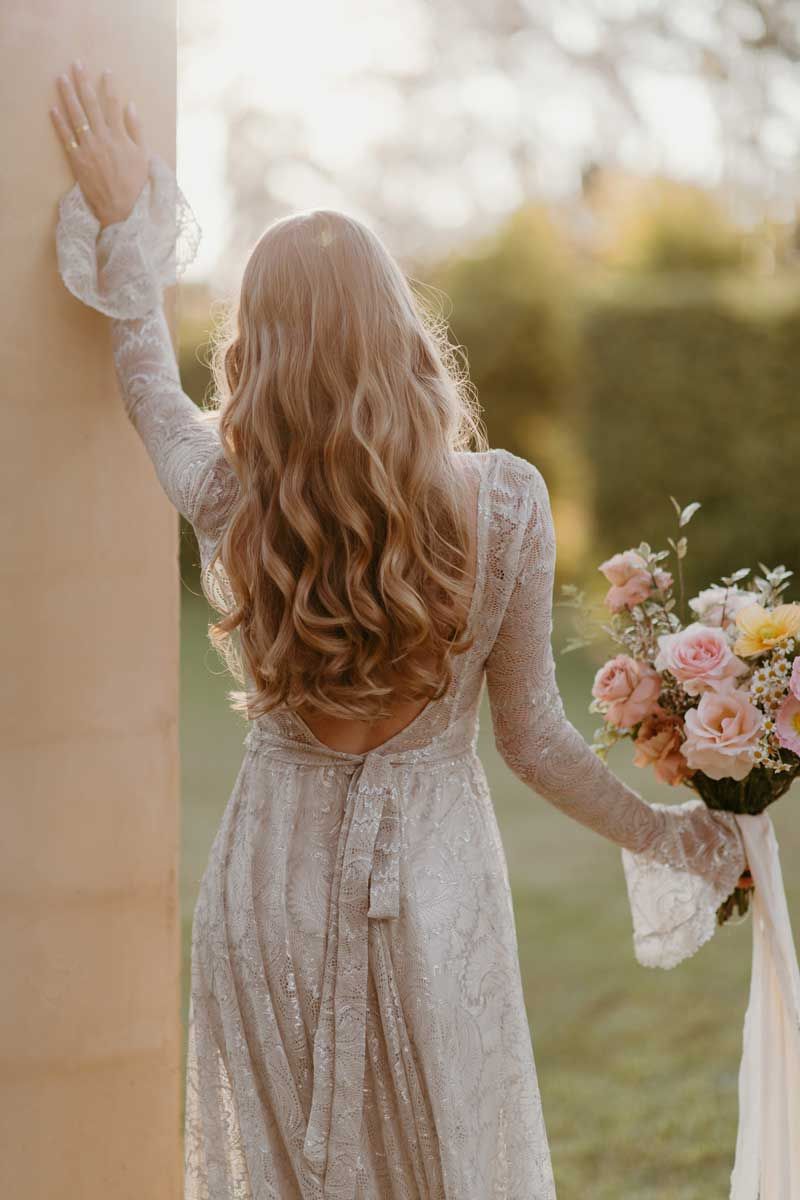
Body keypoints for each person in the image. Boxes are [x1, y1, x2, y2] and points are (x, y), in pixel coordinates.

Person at [50, 61, 751, 1200]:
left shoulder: (233, 494)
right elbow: (532, 740)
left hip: (267, 884)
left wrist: (126, 212)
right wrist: (669, 837)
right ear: (397, 326)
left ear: (258, 346)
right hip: (436, 886)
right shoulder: (509, 502)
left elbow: (142, 371)